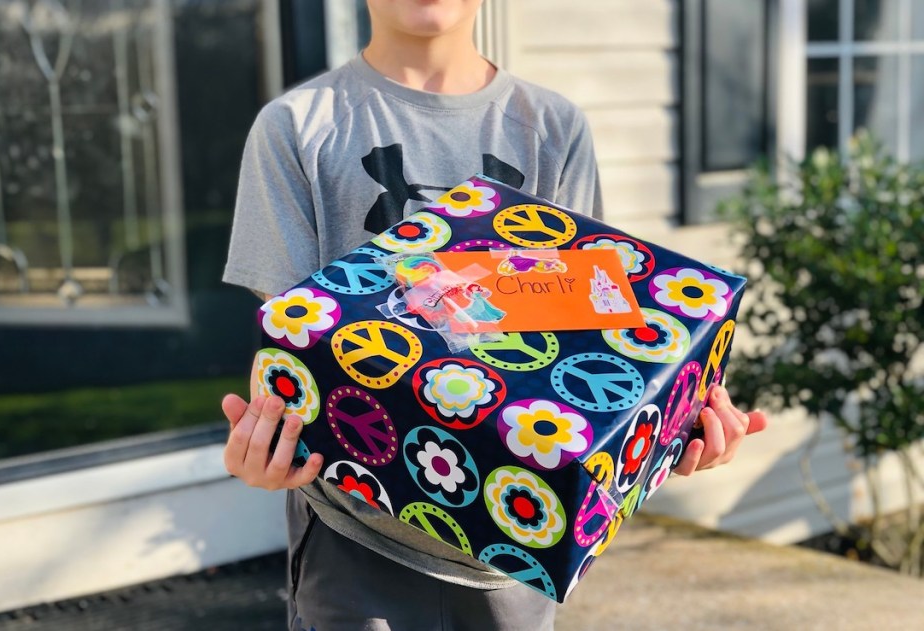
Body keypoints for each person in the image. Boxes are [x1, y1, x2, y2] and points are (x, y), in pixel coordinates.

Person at [221, 1, 768, 629]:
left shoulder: (551, 127)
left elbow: (595, 334)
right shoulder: (296, 128)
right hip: (355, 542)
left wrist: (669, 429)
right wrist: (269, 445)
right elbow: (298, 352)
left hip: (521, 548)